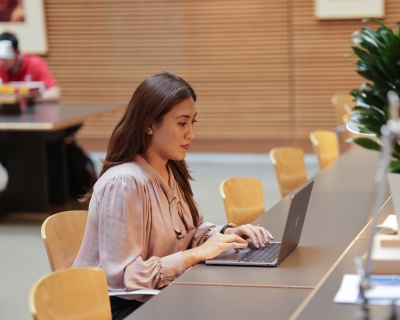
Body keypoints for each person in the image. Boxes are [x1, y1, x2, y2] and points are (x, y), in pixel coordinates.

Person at [72, 71, 274, 320]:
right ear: (148, 124)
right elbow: (126, 278)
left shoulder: (169, 167)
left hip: (158, 294)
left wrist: (224, 234)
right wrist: (196, 255)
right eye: (182, 123)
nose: (191, 133)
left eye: (193, 122)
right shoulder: (124, 182)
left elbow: (190, 231)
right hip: (118, 308)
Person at [0, 32, 60, 102]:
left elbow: (55, 94)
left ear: (17, 51)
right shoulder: (1, 67)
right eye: (1, 58)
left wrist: (29, 98)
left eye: (6, 58)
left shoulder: (35, 64)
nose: (3, 62)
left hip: (33, 111)